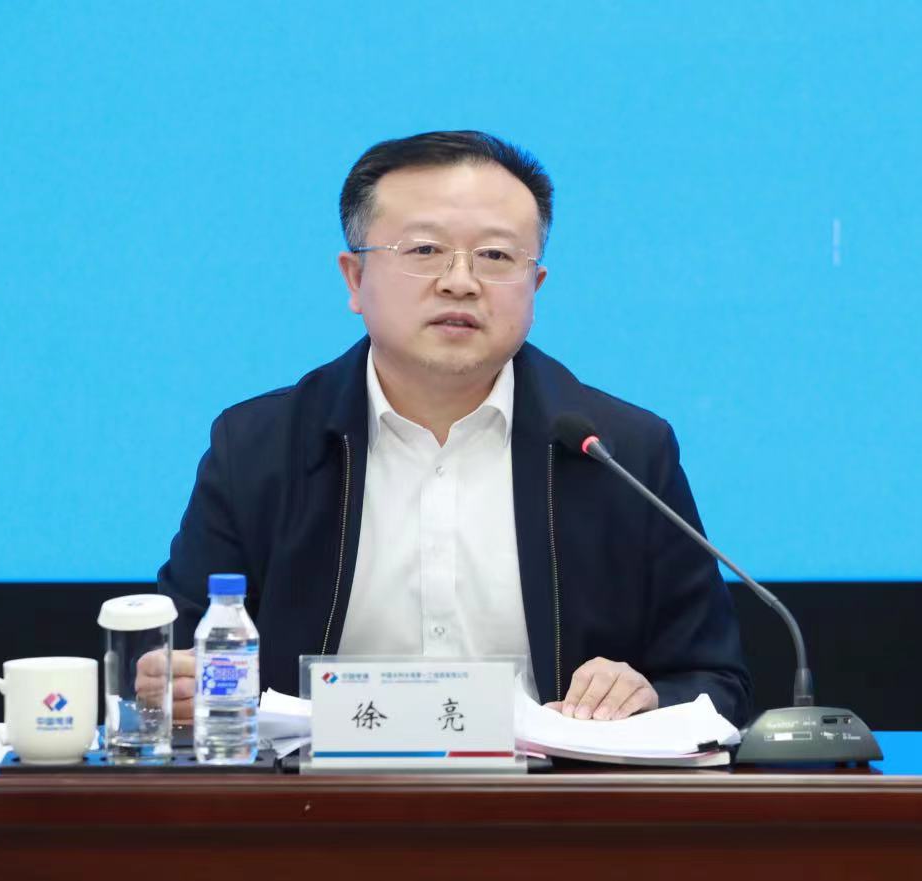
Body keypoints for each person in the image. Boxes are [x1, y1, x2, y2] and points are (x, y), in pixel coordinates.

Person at [150, 130, 752, 726]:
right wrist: (170, 684)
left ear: (534, 286)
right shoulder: (259, 447)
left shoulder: (620, 452)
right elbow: (174, 657)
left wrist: (645, 697)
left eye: (496, 256)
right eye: (424, 250)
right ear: (355, 279)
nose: (460, 281)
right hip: (319, 787)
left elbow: (714, 682)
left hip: (552, 788)